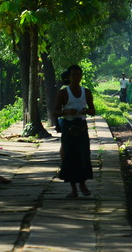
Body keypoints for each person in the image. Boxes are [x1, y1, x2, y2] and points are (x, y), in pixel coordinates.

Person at [55, 64, 95, 197]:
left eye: (78, 74)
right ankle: (73, 189)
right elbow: (55, 111)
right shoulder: (63, 92)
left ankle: (83, 183)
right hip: (68, 127)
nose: (76, 77)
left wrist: (86, 111)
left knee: (83, 155)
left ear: (81, 76)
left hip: (82, 127)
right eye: (73, 75)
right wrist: (67, 111)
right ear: (69, 77)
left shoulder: (86, 92)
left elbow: (93, 111)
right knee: (69, 157)